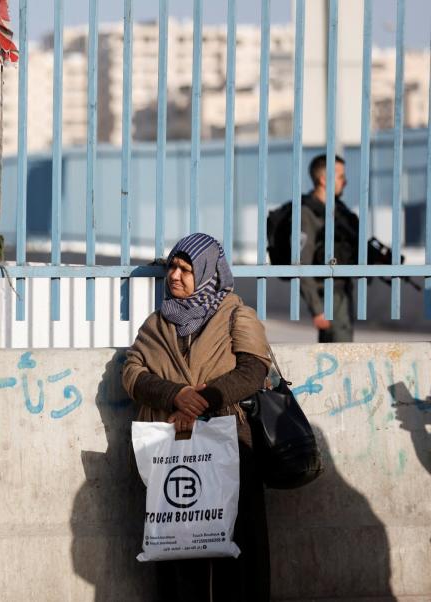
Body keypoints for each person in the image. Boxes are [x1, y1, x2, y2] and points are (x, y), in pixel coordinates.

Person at [122, 232, 272, 601]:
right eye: (173, 266)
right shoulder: (156, 324)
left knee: (239, 544)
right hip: (171, 448)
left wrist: (199, 402)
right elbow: (133, 373)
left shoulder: (236, 314)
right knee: (177, 545)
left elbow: (254, 370)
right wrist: (176, 395)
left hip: (229, 444)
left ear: (208, 272)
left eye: (186, 269)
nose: (174, 276)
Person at [299, 153, 358, 343]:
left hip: (343, 290)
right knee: (340, 353)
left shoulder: (339, 211)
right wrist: (317, 309)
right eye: (341, 177)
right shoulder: (307, 213)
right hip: (327, 294)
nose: (346, 182)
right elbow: (302, 263)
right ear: (324, 179)